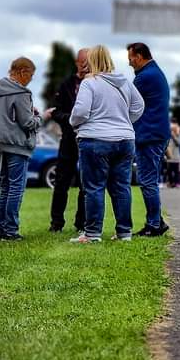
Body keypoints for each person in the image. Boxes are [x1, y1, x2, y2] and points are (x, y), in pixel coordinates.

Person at [69, 45, 145, 244]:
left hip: (95, 138)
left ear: (92, 61)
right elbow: (139, 106)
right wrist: (124, 121)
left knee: (94, 187)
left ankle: (92, 233)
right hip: (125, 139)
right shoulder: (124, 82)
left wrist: (74, 123)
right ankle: (124, 233)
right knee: (121, 187)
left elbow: (81, 112)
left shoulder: (89, 83)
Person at [0, 57, 42, 241]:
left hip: (2, 143)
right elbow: (27, 123)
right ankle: (11, 230)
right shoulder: (21, 93)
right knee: (16, 188)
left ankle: (0, 228)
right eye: (31, 75)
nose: (31, 79)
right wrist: (39, 118)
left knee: (5, 187)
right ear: (22, 72)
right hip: (18, 145)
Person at [127, 42, 171, 237]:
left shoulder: (145, 77)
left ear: (139, 56)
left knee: (147, 181)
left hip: (149, 135)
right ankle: (156, 220)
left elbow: (127, 101)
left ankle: (154, 224)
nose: (129, 63)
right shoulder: (155, 72)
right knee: (150, 179)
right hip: (157, 133)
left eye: (131, 58)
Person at [44, 48, 88, 233]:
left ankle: (82, 222)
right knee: (62, 181)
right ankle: (56, 222)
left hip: (88, 139)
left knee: (86, 182)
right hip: (69, 138)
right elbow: (56, 111)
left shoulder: (96, 83)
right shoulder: (66, 84)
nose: (85, 66)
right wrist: (71, 119)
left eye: (89, 63)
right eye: (83, 63)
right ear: (77, 63)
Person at [166, 123, 180, 187]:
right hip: (170, 156)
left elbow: (178, 143)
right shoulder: (168, 136)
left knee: (176, 171)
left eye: (174, 129)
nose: (173, 130)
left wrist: (174, 137)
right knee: (169, 170)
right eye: (172, 129)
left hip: (176, 156)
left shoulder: (178, 136)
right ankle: (171, 182)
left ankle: (176, 182)